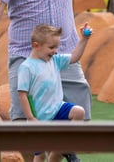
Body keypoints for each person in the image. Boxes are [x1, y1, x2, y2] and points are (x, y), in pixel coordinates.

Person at [18, 24, 91, 162]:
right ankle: (64, 146)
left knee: (79, 112)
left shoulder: (55, 60)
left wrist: (84, 39)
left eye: (57, 47)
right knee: (40, 154)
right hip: (40, 117)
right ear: (36, 45)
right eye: (51, 47)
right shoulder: (26, 67)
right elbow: (22, 94)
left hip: (58, 109)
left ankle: (67, 147)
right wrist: (30, 118)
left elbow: (74, 57)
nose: (55, 51)